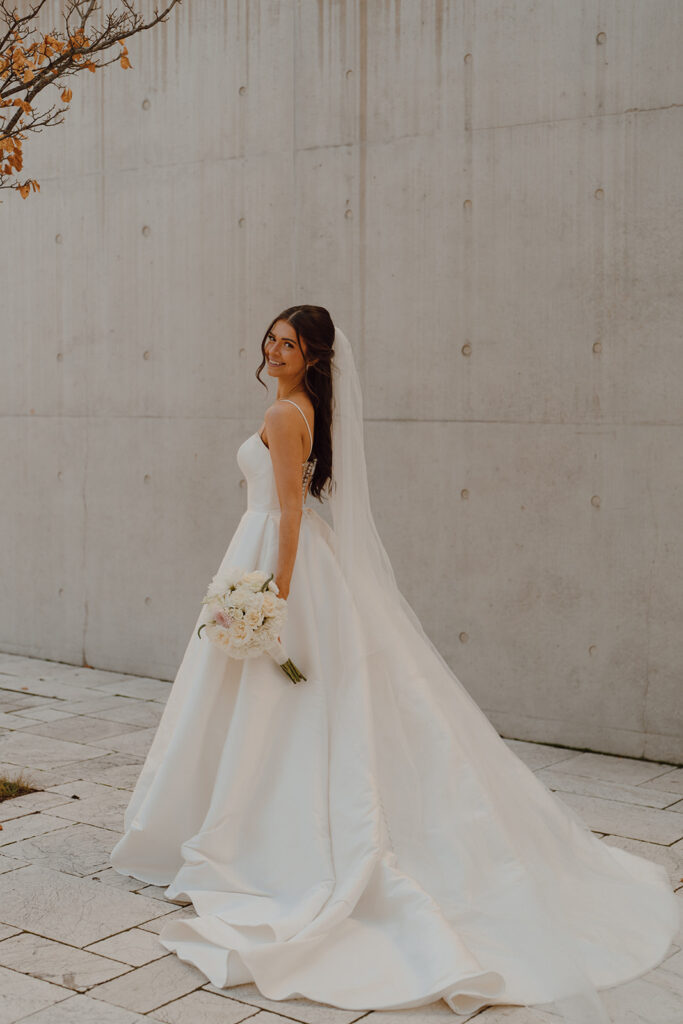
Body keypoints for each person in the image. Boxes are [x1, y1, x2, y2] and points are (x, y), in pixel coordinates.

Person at [110, 305, 679, 1023]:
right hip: (271, 553)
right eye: (272, 338)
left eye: (290, 343)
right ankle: (244, 819)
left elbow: (288, 511)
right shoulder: (301, 407)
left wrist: (271, 600)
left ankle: (253, 835)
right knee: (272, 703)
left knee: (269, 698)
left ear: (313, 356)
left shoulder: (286, 414)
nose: (274, 349)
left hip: (274, 561)